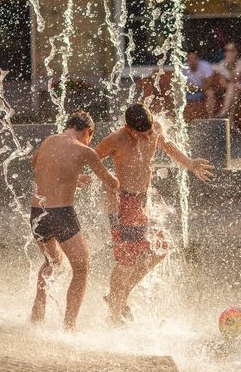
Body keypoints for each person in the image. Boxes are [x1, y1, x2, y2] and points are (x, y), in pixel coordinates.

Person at [94, 104, 214, 325]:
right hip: (124, 204)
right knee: (126, 261)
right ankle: (114, 315)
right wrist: (108, 183)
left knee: (160, 249)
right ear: (127, 128)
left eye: (149, 132)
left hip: (143, 203)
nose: (148, 136)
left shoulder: (154, 128)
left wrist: (189, 163)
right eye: (142, 134)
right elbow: (91, 159)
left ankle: (118, 297)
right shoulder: (115, 140)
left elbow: (167, 145)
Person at [30, 110, 120, 331]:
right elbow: (111, 183)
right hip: (61, 214)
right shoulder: (85, 151)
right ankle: (69, 327)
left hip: (37, 213)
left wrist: (71, 175)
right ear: (88, 131)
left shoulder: (49, 140)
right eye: (92, 136)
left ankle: (37, 314)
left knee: (52, 261)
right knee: (81, 267)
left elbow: (36, 164)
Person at [205, 41, 241, 118]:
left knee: (233, 88)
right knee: (233, 91)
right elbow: (222, 83)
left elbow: (235, 79)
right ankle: (231, 123)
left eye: (231, 51)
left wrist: (229, 67)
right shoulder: (222, 64)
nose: (229, 53)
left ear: (236, 52)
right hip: (231, 91)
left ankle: (224, 111)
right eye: (226, 50)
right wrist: (230, 86)